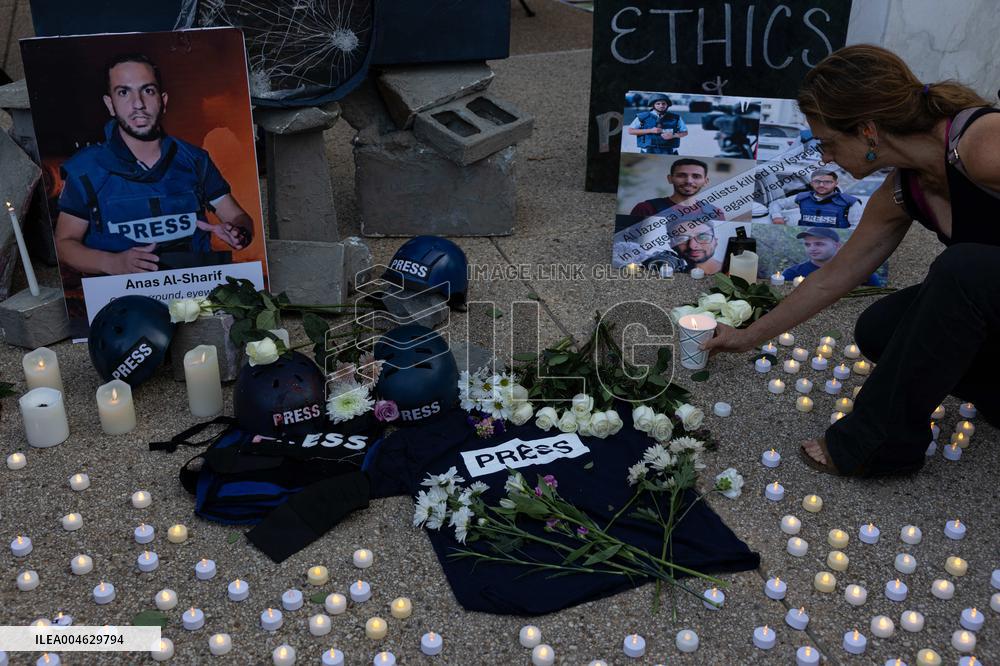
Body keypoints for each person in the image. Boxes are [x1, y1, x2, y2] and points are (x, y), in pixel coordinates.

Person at [702, 44, 1000, 477]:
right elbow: (834, 277)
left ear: (867, 131)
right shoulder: (904, 190)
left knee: (963, 271)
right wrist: (747, 337)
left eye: (828, 143)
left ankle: (879, 443)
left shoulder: (981, 145)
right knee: (880, 329)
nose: (823, 157)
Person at [54, 53, 255, 276]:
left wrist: (238, 232)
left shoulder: (195, 159)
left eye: (148, 91)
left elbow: (238, 217)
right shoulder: (86, 169)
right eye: (124, 92)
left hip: (197, 288)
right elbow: (64, 243)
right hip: (120, 297)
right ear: (110, 105)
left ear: (163, 100)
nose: (138, 104)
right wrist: (111, 263)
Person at [782, 227, 884, 286]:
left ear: (837, 246)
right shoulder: (792, 273)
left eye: (819, 244)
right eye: (807, 244)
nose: (812, 248)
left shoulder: (860, 273)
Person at [769, 169, 862, 227]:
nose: (821, 185)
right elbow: (775, 204)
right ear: (811, 183)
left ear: (835, 184)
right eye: (817, 181)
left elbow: (855, 228)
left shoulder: (851, 203)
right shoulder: (802, 197)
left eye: (827, 182)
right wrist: (777, 217)